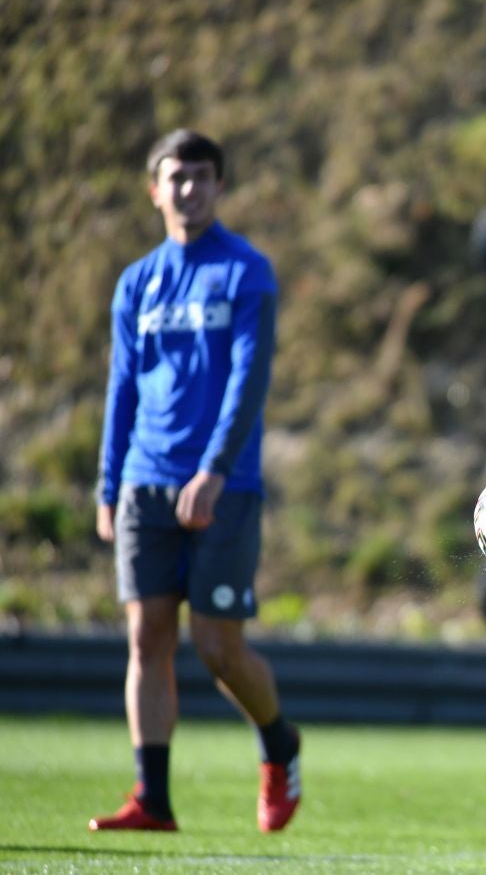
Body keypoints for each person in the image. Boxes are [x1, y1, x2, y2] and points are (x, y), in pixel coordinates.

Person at [91, 129, 301, 834]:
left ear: (219, 186)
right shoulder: (136, 282)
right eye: (176, 177)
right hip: (145, 481)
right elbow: (122, 387)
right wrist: (107, 484)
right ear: (155, 189)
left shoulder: (246, 271)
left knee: (218, 647)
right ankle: (151, 798)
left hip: (224, 486)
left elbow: (249, 380)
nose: (189, 189)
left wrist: (214, 470)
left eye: (202, 177)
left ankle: (279, 742)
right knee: (146, 639)